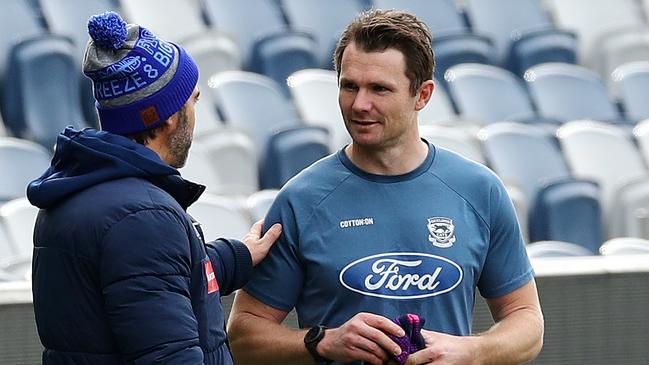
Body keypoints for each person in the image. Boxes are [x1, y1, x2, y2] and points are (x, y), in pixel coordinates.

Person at [227, 9, 544, 365]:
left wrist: (472, 351)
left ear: (422, 95)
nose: (360, 104)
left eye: (379, 89)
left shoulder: (478, 190)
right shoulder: (302, 200)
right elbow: (242, 336)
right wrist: (323, 341)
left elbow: (527, 323)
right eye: (350, 86)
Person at [27, 11, 281, 365]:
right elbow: (168, 353)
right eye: (193, 99)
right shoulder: (143, 218)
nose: (196, 110)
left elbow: (154, 279)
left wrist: (238, 256)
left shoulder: (86, 192)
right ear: (170, 117)